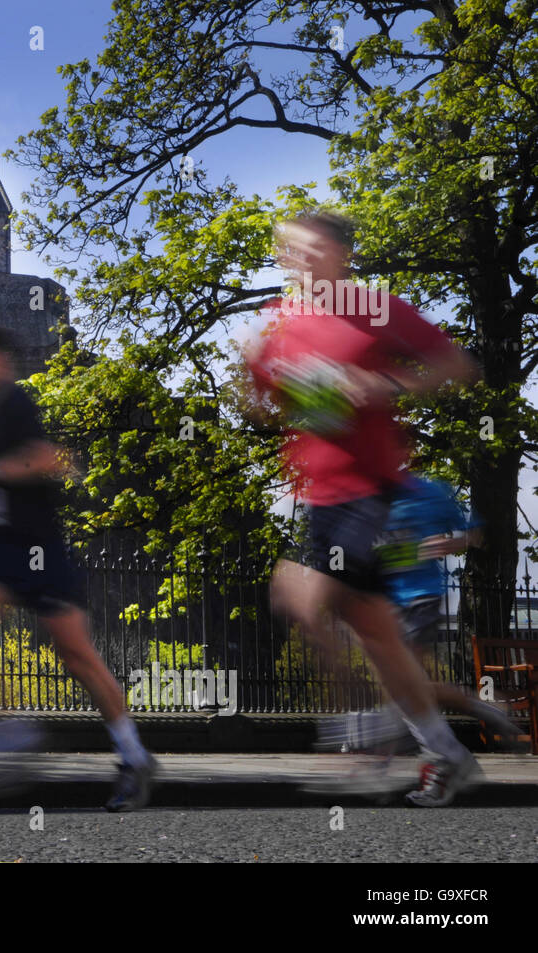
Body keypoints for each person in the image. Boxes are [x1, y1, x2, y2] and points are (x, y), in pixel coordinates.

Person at [243, 210, 483, 806]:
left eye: (312, 249)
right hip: (320, 497)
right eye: (289, 251)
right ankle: (444, 752)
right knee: (378, 637)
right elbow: (260, 406)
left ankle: (363, 728)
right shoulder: (279, 321)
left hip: (373, 490)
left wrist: (386, 388)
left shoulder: (378, 308)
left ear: (342, 255)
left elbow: (459, 366)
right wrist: (264, 386)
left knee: (299, 593)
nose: (298, 260)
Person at [0, 325, 156, 812]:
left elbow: (48, 459)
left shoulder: (18, 403)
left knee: (77, 656)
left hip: (40, 550)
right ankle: (8, 741)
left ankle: (135, 756)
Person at [316, 473, 517, 758]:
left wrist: (452, 543)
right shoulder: (363, 497)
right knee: (403, 682)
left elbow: (476, 534)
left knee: (403, 680)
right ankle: (476, 710)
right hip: (382, 604)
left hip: (420, 597)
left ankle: (397, 748)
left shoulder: (430, 492)